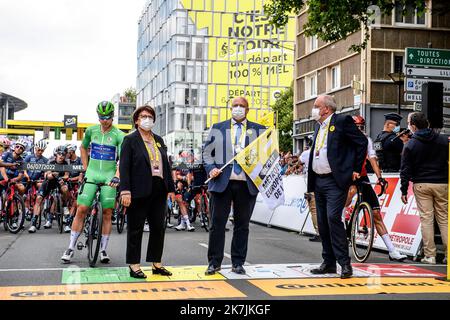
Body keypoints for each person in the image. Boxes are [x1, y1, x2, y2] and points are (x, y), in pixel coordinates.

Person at [202, 96, 266, 275]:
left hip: (246, 184)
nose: (238, 108)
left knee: (242, 225)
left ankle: (238, 262)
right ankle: (214, 262)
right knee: (217, 224)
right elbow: (207, 153)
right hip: (221, 182)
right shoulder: (218, 128)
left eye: (242, 106)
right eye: (235, 105)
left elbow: (265, 156)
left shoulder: (259, 130)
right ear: (231, 108)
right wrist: (211, 168)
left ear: (248, 110)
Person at [307, 95, 367, 279]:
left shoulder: (341, 121)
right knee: (323, 224)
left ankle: (345, 263)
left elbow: (361, 142)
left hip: (335, 180)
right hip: (319, 180)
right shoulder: (318, 126)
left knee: (333, 218)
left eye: (316, 106)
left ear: (326, 109)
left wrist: (355, 168)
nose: (314, 109)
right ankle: (328, 262)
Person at [61, 101, 124, 264]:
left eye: (108, 117)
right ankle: (70, 247)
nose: (104, 120)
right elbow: (83, 148)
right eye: (101, 117)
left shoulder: (119, 135)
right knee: (82, 208)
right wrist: (85, 167)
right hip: (92, 173)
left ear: (113, 116)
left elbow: (124, 158)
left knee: (108, 212)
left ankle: (103, 249)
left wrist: (117, 175)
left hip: (109, 175)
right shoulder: (91, 130)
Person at [120, 105, 175, 279]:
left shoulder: (159, 139)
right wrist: (125, 191)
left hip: (159, 189)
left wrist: (171, 189)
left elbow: (166, 165)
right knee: (135, 228)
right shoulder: (130, 140)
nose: (147, 119)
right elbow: (124, 167)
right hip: (138, 190)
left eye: (150, 116)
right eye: (143, 116)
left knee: (159, 227)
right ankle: (134, 265)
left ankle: (156, 263)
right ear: (137, 120)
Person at [345, 115, 407, 261]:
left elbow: (373, 159)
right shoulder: (344, 140)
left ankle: (392, 250)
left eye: (362, 127)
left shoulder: (367, 140)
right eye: (357, 127)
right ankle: (341, 220)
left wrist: (380, 178)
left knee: (377, 214)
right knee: (349, 193)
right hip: (346, 175)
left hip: (362, 176)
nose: (360, 130)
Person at [400, 112, 448, 265]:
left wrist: (403, 190)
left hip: (421, 184)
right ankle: (448, 254)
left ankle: (430, 255)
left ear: (413, 126)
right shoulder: (442, 140)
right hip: (442, 183)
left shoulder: (411, 144)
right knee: (444, 219)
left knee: (426, 219)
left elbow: (405, 169)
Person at [28, 145, 70, 233]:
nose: (61, 155)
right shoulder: (50, 162)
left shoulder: (66, 163)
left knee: (65, 189)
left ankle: (65, 208)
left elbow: (66, 175)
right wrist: (52, 174)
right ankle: (33, 223)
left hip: (59, 182)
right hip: (49, 182)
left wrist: (63, 179)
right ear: (56, 154)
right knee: (39, 199)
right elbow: (47, 175)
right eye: (59, 154)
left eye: (63, 154)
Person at [300, 136, 320, 242]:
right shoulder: (320, 151)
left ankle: (319, 232)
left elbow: (298, 162)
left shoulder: (306, 153)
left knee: (314, 210)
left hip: (311, 184)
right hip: (323, 182)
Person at [64, 143, 83, 233]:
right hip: (68, 183)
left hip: (77, 183)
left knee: (76, 201)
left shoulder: (80, 160)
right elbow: (66, 174)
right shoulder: (67, 161)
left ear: (71, 151)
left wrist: (72, 179)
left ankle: (69, 220)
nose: (65, 154)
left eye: (67, 152)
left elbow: (81, 175)